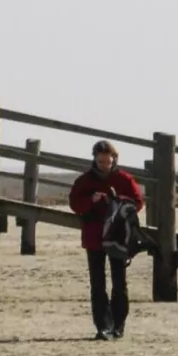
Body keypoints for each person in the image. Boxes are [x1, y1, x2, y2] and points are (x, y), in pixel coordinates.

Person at [69, 140, 145, 340]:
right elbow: (74, 203)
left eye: (107, 161)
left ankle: (118, 325)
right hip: (94, 237)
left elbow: (137, 202)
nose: (104, 164)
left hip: (117, 237)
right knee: (97, 282)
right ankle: (102, 326)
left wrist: (118, 202)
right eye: (100, 161)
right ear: (94, 159)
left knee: (119, 281)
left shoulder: (124, 179)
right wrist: (90, 201)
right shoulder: (84, 180)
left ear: (114, 159)